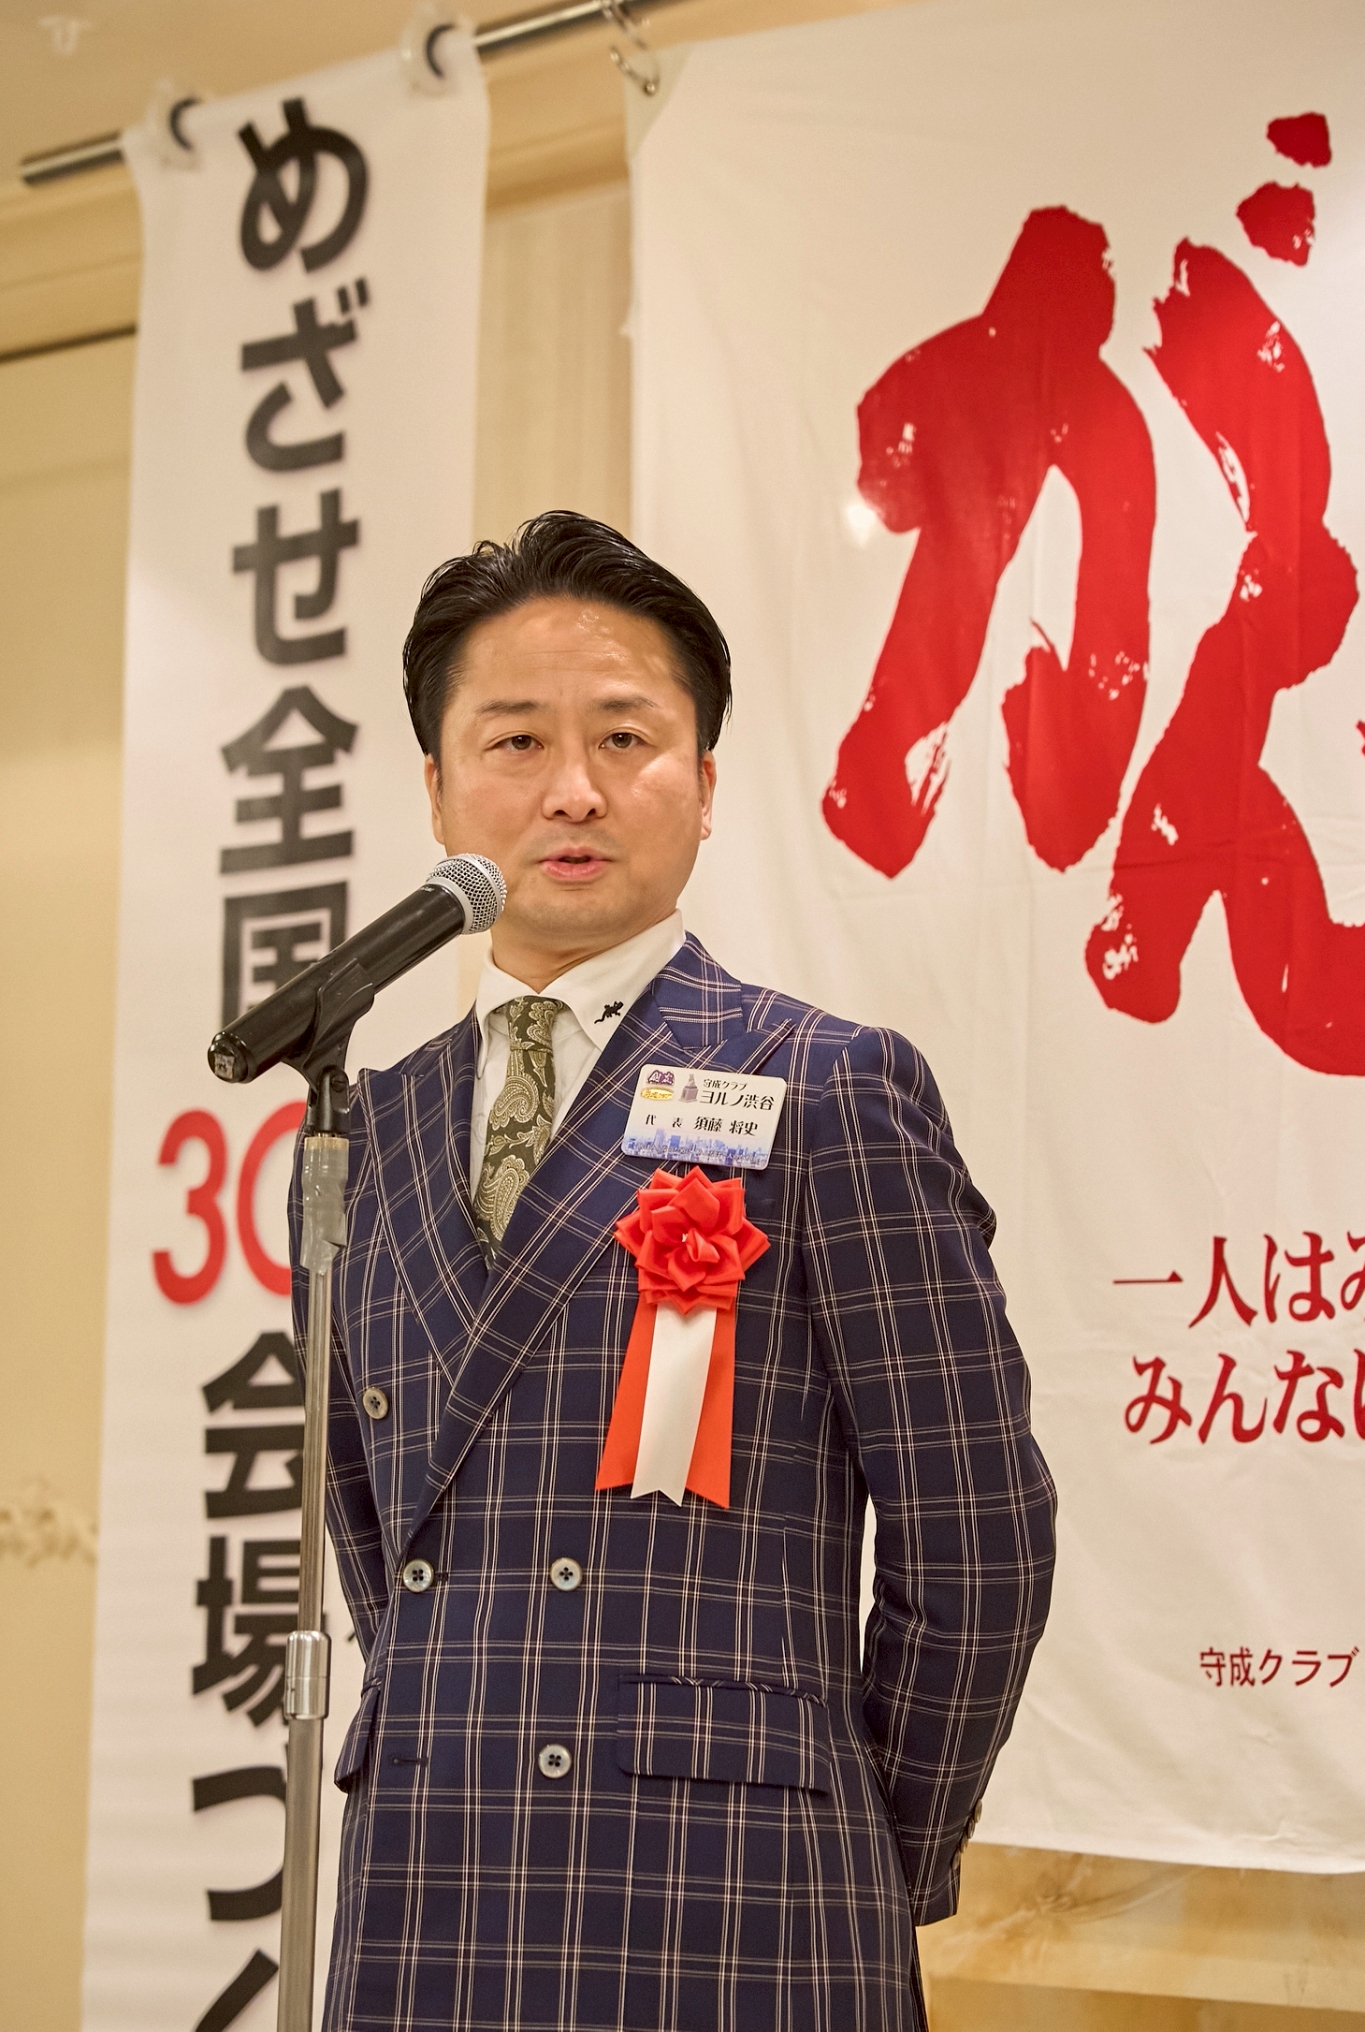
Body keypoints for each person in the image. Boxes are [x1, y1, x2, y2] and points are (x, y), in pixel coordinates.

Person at [300, 511, 1055, 2032]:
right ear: (437, 789)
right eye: (515, 740)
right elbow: (375, 1529)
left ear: (704, 786)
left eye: (625, 737)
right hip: (427, 1875)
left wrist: (857, 1840)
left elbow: (973, 1541)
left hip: (739, 1896)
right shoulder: (359, 1130)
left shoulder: (825, 1086)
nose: (572, 789)